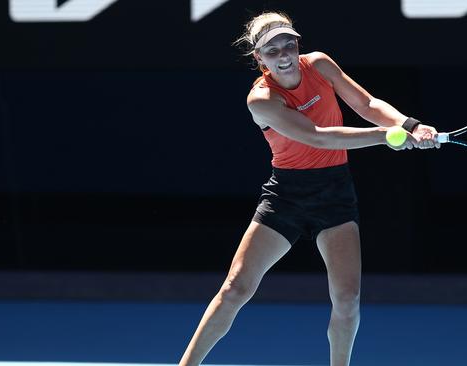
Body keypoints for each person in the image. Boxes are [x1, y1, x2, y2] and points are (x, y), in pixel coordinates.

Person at [179, 11, 439, 366]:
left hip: (335, 193)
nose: (284, 54)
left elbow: (366, 104)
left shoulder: (320, 64)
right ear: (259, 59)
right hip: (286, 196)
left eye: (289, 44)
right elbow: (318, 138)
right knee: (235, 288)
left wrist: (410, 124)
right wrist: (388, 137)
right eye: (272, 51)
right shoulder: (261, 100)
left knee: (347, 299)